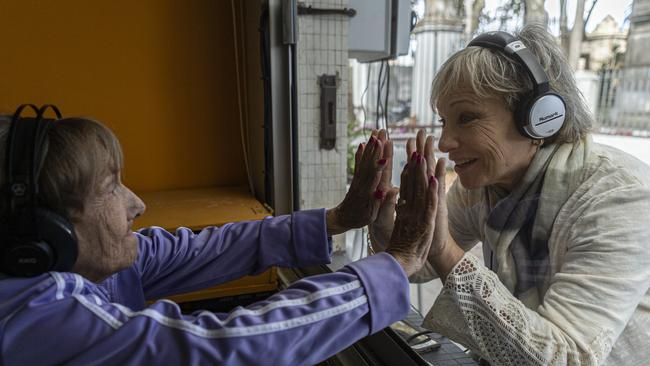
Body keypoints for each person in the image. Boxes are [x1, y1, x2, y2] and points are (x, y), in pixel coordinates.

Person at [0, 108, 441, 365]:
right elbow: (219, 347)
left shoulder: (82, 260)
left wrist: (337, 219)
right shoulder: (35, 316)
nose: (137, 204)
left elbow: (202, 249)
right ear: (45, 232)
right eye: (110, 189)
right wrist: (396, 263)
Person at [370, 24, 650, 365]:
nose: (444, 143)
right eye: (444, 122)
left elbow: (567, 359)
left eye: (467, 118)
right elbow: (419, 266)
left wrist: (445, 250)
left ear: (538, 117)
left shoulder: (618, 196)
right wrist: (392, 235)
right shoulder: (484, 187)